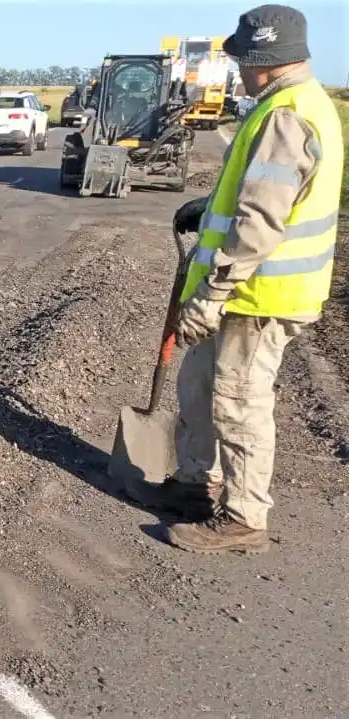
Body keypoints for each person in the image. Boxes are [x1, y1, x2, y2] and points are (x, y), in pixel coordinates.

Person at [152, 3, 344, 554]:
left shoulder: (286, 116)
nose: (236, 68)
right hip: (245, 287)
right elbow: (253, 196)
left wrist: (212, 293)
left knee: (238, 400)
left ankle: (243, 518)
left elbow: (262, 221)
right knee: (200, 383)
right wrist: (208, 206)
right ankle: (195, 481)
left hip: (258, 294)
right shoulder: (289, 104)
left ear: (264, 61)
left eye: (242, 59)